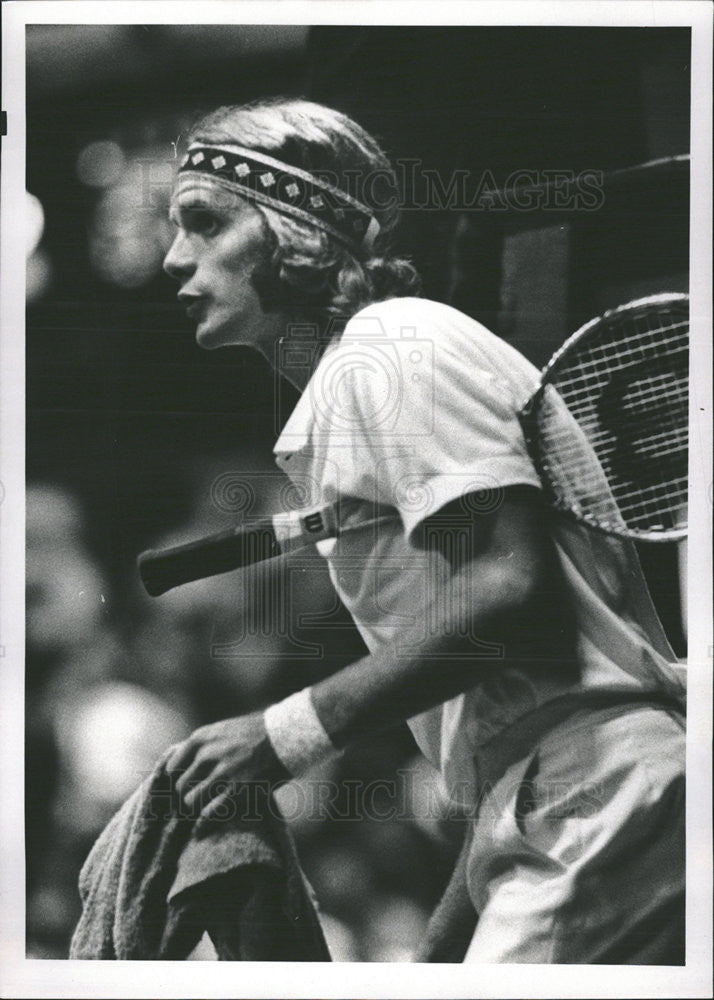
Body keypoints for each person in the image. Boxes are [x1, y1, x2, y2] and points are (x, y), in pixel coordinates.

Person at [161, 98, 686, 963]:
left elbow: (511, 584)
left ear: (296, 229)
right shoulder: (358, 380)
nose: (175, 258)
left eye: (205, 223)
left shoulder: (393, 344)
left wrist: (283, 734)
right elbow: (506, 741)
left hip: (603, 792)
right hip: (557, 801)